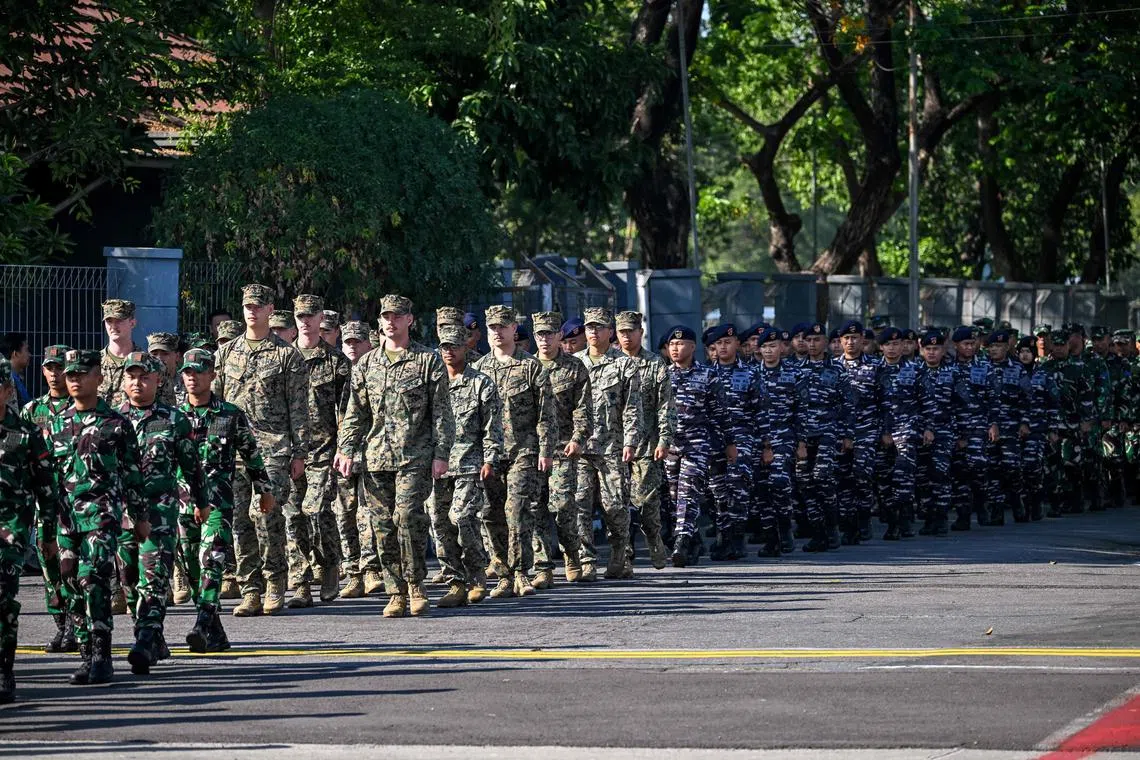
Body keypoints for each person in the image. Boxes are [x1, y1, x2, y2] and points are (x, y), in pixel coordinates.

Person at [335, 295, 453, 617]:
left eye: (398, 316)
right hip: (376, 457)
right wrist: (346, 448)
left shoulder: (428, 361)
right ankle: (395, 590)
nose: (391, 321)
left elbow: (442, 413)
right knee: (382, 525)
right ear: (380, 321)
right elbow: (355, 413)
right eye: (386, 316)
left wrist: (441, 454)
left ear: (409, 320)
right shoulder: (366, 364)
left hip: (415, 455)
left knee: (407, 517)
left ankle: (416, 584)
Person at [213, 284, 310, 618]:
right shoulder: (226, 354)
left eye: (258, 306)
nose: (252, 311)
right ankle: (250, 587)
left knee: (265, 515)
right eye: (247, 306)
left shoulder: (287, 356)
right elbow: (217, 403)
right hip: (235, 449)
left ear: (271, 309)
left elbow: (298, 408)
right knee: (239, 521)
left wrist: (299, 453)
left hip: (274, 449)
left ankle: (274, 583)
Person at [56, 349, 147, 685]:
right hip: (66, 520)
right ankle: (84, 653)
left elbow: (132, 475)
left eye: (82, 373)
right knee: (69, 583)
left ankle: (101, 654)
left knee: (93, 578)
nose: (75, 380)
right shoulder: (56, 425)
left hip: (102, 516)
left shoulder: (116, 425)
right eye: (71, 375)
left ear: (99, 377)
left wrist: (139, 517)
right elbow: (48, 478)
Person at [179, 348, 275, 652]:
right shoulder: (172, 416)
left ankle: (201, 623)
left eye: (198, 371)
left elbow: (251, 455)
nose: (192, 377)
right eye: (187, 372)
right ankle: (216, 632)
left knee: (213, 561)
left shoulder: (230, 414)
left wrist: (264, 489)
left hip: (217, 501)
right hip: (182, 503)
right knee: (192, 568)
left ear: (213, 375)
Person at [117, 352, 206, 674]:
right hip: (123, 514)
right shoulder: (113, 420)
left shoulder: (173, 419)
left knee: (154, 581)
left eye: (144, 377)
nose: (137, 383)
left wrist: (200, 500)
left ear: (158, 380)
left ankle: (145, 639)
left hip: (160, 512)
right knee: (129, 581)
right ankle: (152, 635)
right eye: (132, 377)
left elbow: (191, 467)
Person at [473, 305, 555, 596]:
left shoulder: (531, 367)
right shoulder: (480, 369)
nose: (497, 332)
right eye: (492, 327)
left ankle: (521, 571)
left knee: (517, 509)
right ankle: (503, 573)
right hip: (489, 454)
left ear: (513, 329)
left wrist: (545, 450)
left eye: (502, 327)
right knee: (490, 512)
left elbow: (546, 414)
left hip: (524, 450)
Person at [0, 357, 64, 703]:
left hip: (10, 530)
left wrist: (49, 532)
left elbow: (46, 488)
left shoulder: (24, 434)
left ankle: (4, 668)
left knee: (2, 598)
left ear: (8, 390)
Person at [285, 295, 350, 608]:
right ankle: (301, 580)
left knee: (316, 510)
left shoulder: (336, 362)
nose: (306, 321)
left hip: (323, 451)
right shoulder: (284, 356)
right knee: (292, 515)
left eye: (311, 315)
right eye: (300, 315)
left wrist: (345, 448)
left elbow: (348, 410)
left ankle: (328, 564)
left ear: (320, 317)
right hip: (288, 451)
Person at [431, 324, 503, 605]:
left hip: (470, 464)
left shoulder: (481, 383)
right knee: (439, 523)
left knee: (461, 517)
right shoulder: (434, 382)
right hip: (437, 465)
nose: (448, 352)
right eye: (444, 347)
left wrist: (490, 459)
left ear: (466, 349)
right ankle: (455, 582)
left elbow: (492, 427)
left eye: (454, 346)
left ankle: (476, 575)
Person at [574, 307, 641, 580]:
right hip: (580, 447)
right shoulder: (574, 363)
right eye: (590, 327)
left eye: (600, 327)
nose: (594, 332)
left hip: (612, 446)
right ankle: (586, 560)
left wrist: (631, 441)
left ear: (610, 332)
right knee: (579, 503)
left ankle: (619, 554)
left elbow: (632, 407)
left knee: (614, 505)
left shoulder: (624, 364)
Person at [20, 345, 75, 653]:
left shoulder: (80, 408)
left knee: (72, 565)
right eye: (49, 368)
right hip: (45, 502)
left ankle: (77, 624)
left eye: (60, 368)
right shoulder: (32, 411)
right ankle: (61, 622)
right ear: (43, 371)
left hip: (75, 502)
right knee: (49, 564)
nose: (55, 374)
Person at [529, 311, 591, 586]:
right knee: (534, 506)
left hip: (563, 447)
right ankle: (543, 565)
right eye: (539, 334)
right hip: (531, 449)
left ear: (559, 336)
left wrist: (578, 438)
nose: (544, 339)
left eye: (549, 334)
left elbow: (583, 409)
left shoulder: (574, 368)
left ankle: (571, 553)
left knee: (563, 503)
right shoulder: (527, 367)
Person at [663, 326, 730, 566]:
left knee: (688, 492)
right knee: (673, 496)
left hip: (698, 443)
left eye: (680, 344)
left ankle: (680, 541)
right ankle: (694, 540)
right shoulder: (662, 375)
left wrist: (727, 444)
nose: (675, 348)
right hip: (670, 444)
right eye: (672, 344)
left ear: (692, 347)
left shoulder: (708, 376)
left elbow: (720, 415)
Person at [616, 311, 674, 569]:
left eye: (631, 331)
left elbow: (666, 405)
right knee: (617, 503)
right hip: (613, 445)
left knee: (646, 502)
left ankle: (653, 538)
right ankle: (624, 553)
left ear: (641, 332)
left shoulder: (654, 364)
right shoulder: (611, 363)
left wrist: (664, 439)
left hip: (646, 445)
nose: (627, 336)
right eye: (622, 332)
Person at [706, 323, 764, 560]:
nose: (723, 347)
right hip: (713, 439)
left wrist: (765, 445)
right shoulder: (706, 373)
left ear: (737, 344)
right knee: (717, 491)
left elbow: (761, 411)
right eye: (718, 343)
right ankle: (723, 537)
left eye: (727, 342)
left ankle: (737, 539)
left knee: (738, 488)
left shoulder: (750, 373)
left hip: (742, 438)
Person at [795, 323, 852, 552]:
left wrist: (847, 435)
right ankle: (817, 531)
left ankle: (831, 528)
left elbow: (848, 404)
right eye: (808, 340)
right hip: (803, 432)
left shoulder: (837, 370)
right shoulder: (796, 369)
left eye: (817, 340)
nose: (812, 344)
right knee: (804, 482)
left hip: (828, 430)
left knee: (822, 477)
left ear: (826, 342)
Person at [334, 321, 381, 596]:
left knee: (368, 513)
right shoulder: (339, 372)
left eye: (357, 342)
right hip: (341, 453)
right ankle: (352, 571)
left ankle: (371, 569)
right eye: (347, 342)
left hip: (370, 452)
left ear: (368, 344)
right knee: (344, 512)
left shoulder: (374, 372)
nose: (351, 346)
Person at [836, 320, 885, 544]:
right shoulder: (834, 367)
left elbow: (885, 401)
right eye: (846, 338)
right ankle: (848, 524)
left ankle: (864, 518)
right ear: (840, 341)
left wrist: (884, 430)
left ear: (862, 340)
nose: (851, 342)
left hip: (866, 430)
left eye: (855, 338)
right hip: (839, 431)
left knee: (862, 475)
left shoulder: (875, 366)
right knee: (843, 478)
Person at [753, 327, 801, 555]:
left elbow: (801, 410)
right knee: (762, 490)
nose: (769, 350)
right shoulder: (753, 374)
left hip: (784, 438)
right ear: (759, 350)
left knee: (779, 484)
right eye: (765, 347)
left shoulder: (794, 373)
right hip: (758, 439)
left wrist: (800, 442)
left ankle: (785, 529)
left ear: (781, 348)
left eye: (773, 346)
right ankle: (771, 538)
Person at [949, 326, 996, 531]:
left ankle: (981, 503)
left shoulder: (985, 367)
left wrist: (993, 423)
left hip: (978, 425)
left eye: (972, 343)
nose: (970, 347)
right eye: (965, 344)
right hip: (955, 426)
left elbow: (994, 398)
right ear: (956, 345)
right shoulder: (948, 368)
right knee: (959, 471)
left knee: (977, 467)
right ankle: (963, 515)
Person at [983, 330, 1031, 524]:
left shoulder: (1017, 369)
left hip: (1010, 426)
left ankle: (1016, 498)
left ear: (1007, 347)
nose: (995, 350)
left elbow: (1027, 398)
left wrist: (1025, 422)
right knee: (992, 468)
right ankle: (997, 508)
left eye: (999, 346)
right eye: (992, 346)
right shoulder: (981, 368)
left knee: (1012, 467)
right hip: (987, 427)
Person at [914, 330, 955, 536]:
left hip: (944, 431)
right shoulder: (914, 372)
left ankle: (941, 517)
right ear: (921, 350)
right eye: (928, 349)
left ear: (943, 349)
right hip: (919, 432)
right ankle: (928, 516)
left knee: (940, 474)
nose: (931, 353)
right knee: (922, 477)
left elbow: (962, 403)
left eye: (936, 349)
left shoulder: (952, 372)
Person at [0, 333, 31, 413]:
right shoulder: (7, 380)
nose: (29, 354)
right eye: (26, 350)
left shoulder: (15, 379)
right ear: (15, 353)